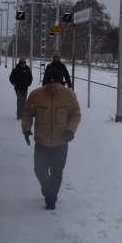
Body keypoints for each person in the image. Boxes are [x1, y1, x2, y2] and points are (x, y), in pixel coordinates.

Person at [22, 68, 81, 210]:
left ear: (60, 83)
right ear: (45, 83)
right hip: (42, 141)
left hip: (60, 142)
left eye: (56, 83)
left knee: (57, 172)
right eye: (50, 83)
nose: (53, 86)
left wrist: (71, 130)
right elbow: (27, 114)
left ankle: (51, 198)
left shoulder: (69, 95)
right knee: (39, 170)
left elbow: (76, 114)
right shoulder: (36, 95)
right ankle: (48, 189)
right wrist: (26, 129)